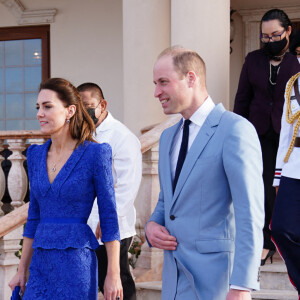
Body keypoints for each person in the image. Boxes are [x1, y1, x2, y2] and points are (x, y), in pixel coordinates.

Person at [145, 46, 264, 300]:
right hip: (174, 283)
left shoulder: (235, 129)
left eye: (163, 82)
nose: (156, 92)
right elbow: (167, 202)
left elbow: (250, 216)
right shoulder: (167, 138)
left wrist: (242, 285)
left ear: (191, 78)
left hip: (218, 284)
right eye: (155, 83)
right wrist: (152, 226)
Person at [8, 78, 123, 300]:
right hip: (40, 263)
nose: (40, 113)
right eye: (38, 107)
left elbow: (109, 217)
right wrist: (22, 269)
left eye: (48, 106)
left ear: (70, 110)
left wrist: (113, 274)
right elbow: (34, 218)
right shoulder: (34, 155)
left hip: (76, 263)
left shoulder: (95, 154)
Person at [233, 8, 300, 266]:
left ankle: (278, 238)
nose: (270, 41)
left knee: (280, 187)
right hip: (256, 134)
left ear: (288, 31)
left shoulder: (296, 62)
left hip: (288, 137)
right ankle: (262, 241)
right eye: (265, 37)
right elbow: (242, 100)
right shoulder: (252, 60)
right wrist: (238, 134)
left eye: (275, 35)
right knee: (258, 188)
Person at [77, 82, 142, 300]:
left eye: (88, 105)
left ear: (102, 105)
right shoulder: (80, 135)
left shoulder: (122, 137)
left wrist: (108, 221)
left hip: (112, 228)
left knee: (117, 286)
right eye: (78, 106)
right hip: (85, 226)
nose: (82, 111)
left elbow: (127, 185)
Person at [271, 72, 300, 297]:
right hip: (294, 166)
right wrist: (279, 175)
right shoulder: (293, 83)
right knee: (281, 229)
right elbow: (286, 131)